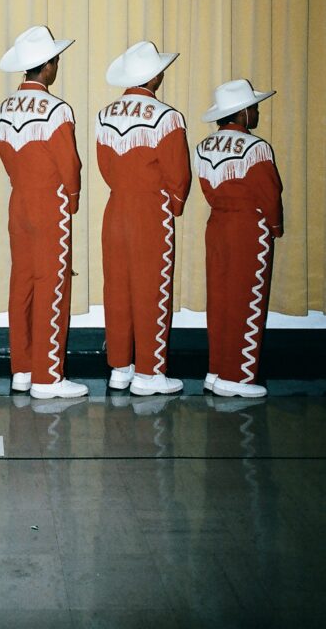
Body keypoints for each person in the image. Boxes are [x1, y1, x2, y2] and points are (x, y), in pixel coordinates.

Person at [0, 25, 86, 400]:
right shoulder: (57, 108)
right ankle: (48, 376)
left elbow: (4, 157)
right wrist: (73, 198)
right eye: (56, 61)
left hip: (19, 201)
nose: (57, 66)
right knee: (52, 284)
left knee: (22, 284)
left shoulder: (3, 108)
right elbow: (70, 165)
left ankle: (22, 369)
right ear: (46, 66)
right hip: (51, 202)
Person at [96, 41, 191, 396]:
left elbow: (105, 166)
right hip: (151, 209)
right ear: (154, 76)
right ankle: (150, 373)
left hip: (115, 208)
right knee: (153, 289)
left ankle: (120, 367)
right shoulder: (167, 116)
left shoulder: (105, 114)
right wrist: (174, 206)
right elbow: (178, 174)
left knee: (117, 288)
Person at [195, 79, 283, 399]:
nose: (257, 112)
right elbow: (270, 194)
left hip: (216, 226)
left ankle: (216, 370)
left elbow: (206, 187)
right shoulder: (257, 147)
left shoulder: (203, 146)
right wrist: (274, 227)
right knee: (247, 301)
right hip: (249, 228)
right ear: (243, 112)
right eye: (255, 108)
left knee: (219, 299)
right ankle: (239, 376)